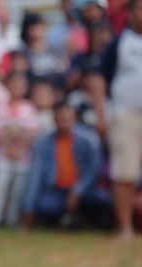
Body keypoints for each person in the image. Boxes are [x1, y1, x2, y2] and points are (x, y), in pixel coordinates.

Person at [22, 102, 111, 230]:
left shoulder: (88, 139)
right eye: (60, 115)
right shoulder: (43, 143)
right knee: (45, 206)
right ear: (54, 118)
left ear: (74, 117)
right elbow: (35, 176)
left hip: (84, 190)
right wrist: (28, 208)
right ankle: (62, 221)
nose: (64, 119)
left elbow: (93, 170)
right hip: (58, 191)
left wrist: (77, 191)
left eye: (67, 115)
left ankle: (86, 220)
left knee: (103, 200)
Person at [100, 0, 142, 241]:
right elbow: (100, 79)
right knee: (123, 173)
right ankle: (125, 228)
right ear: (131, 12)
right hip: (125, 115)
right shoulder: (118, 43)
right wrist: (103, 114)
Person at [0, 71, 39, 230]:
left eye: (21, 84)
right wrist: (9, 148)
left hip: (23, 157)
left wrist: (19, 148)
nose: (17, 87)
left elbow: (32, 134)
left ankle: (12, 220)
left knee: (18, 190)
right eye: (14, 83)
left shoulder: (29, 108)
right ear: (7, 85)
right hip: (2, 156)